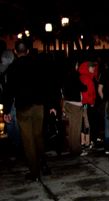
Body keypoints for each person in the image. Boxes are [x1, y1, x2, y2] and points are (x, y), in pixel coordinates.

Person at [2, 40, 57, 181]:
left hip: (23, 107)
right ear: (27, 51)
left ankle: (34, 171)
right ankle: (43, 164)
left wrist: (6, 111)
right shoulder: (37, 65)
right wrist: (51, 105)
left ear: (15, 51)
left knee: (28, 140)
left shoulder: (13, 68)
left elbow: (9, 91)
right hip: (38, 105)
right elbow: (47, 85)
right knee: (38, 135)